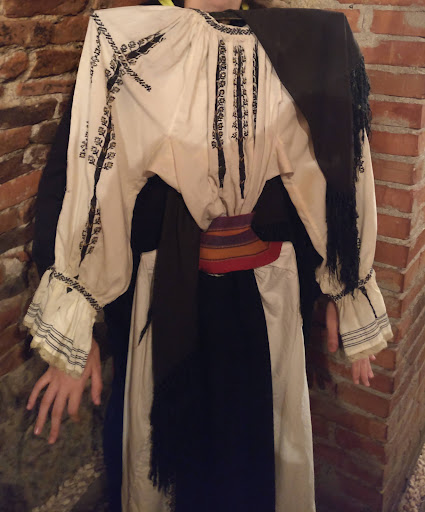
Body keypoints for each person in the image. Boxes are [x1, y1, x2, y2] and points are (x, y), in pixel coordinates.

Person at [24, 1, 393, 511]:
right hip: (165, 294)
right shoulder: (132, 43)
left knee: (256, 453)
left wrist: (344, 284)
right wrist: (76, 323)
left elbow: (339, 174)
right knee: (164, 460)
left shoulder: (310, 45)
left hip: (268, 290)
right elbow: (88, 184)